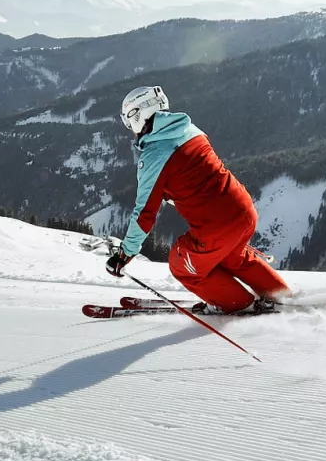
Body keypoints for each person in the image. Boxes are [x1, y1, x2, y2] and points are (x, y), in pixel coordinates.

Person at [105, 85, 291, 314]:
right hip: (244, 211)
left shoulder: (154, 155)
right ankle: (283, 297)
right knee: (234, 258)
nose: (130, 129)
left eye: (129, 120)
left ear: (138, 115)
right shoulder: (189, 129)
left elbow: (144, 213)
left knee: (181, 264)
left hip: (217, 227)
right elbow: (194, 176)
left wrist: (125, 254)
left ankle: (241, 304)